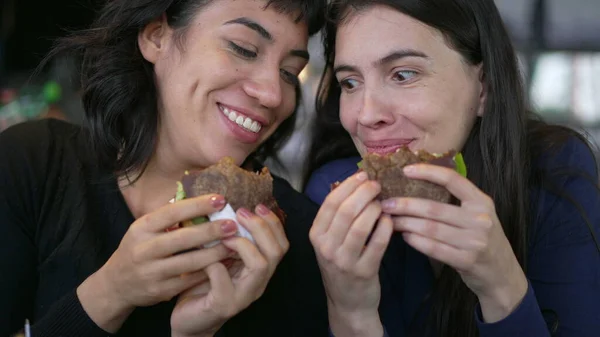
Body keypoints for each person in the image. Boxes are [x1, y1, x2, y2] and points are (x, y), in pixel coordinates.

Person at [0, 0, 330, 336]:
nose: (274, 94)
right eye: (243, 48)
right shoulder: (32, 164)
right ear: (156, 36)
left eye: (289, 73)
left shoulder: (296, 239)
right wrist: (110, 294)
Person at [303, 1, 600, 337]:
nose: (367, 115)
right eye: (350, 83)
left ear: (483, 87)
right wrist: (352, 313)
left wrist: (501, 285)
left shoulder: (554, 173)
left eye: (403, 74)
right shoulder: (332, 199)